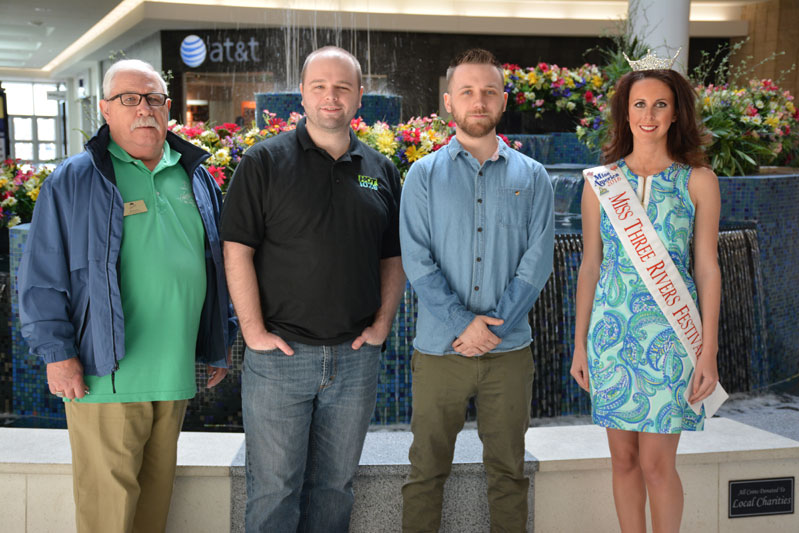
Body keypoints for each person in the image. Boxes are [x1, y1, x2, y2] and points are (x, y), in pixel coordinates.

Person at [18, 59, 237, 532]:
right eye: (129, 99)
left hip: (174, 375)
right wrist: (58, 354)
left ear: (168, 108)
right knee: (107, 518)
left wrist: (220, 338)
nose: (144, 109)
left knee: (152, 515)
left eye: (154, 99)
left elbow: (216, 265)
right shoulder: (75, 180)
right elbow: (40, 276)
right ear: (105, 110)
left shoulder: (195, 175)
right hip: (106, 376)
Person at [220, 46, 405, 533]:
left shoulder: (380, 170)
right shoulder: (263, 162)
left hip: (354, 359)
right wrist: (254, 332)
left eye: (342, 87)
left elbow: (393, 257)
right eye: (320, 86)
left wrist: (382, 324)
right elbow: (236, 250)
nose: (331, 96)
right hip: (280, 359)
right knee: (274, 490)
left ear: (359, 96)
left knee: (334, 489)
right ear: (302, 93)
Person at [399, 48, 555, 532]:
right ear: (449, 102)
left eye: (489, 91)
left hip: (508, 352)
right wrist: (462, 323)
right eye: (467, 91)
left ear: (503, 101)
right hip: (440, 351)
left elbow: (538, 261)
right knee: (425, 472)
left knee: (509, 473)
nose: (478, 100)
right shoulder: (422, 176)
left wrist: (494, 326)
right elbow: (417, 260)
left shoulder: (534, 178)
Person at [570, 57, 725, 533]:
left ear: (676, 113)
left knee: (658, 464)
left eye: (661, 104)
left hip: (673, 339)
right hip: (611, 339)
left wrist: (709, 349)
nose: (650, 114)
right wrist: (580, 343)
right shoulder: (600, 184)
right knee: (623, 462)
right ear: (626, 112)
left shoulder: (698, 181)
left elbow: (706, 266)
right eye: (640, 104)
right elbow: (591, 265)